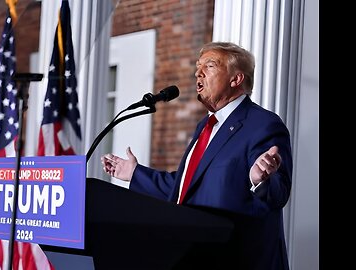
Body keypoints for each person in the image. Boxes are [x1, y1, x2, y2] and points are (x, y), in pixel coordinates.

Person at [101, 41, 292, 270]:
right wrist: (134, 174)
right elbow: (185, 189)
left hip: (238, 260)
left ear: (236, 79)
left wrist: (260, 180)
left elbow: (278, 194)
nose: (197, 72)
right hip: (195, 255)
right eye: (197, 66)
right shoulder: (206, 126)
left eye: (209, 66)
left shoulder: (263, 124)